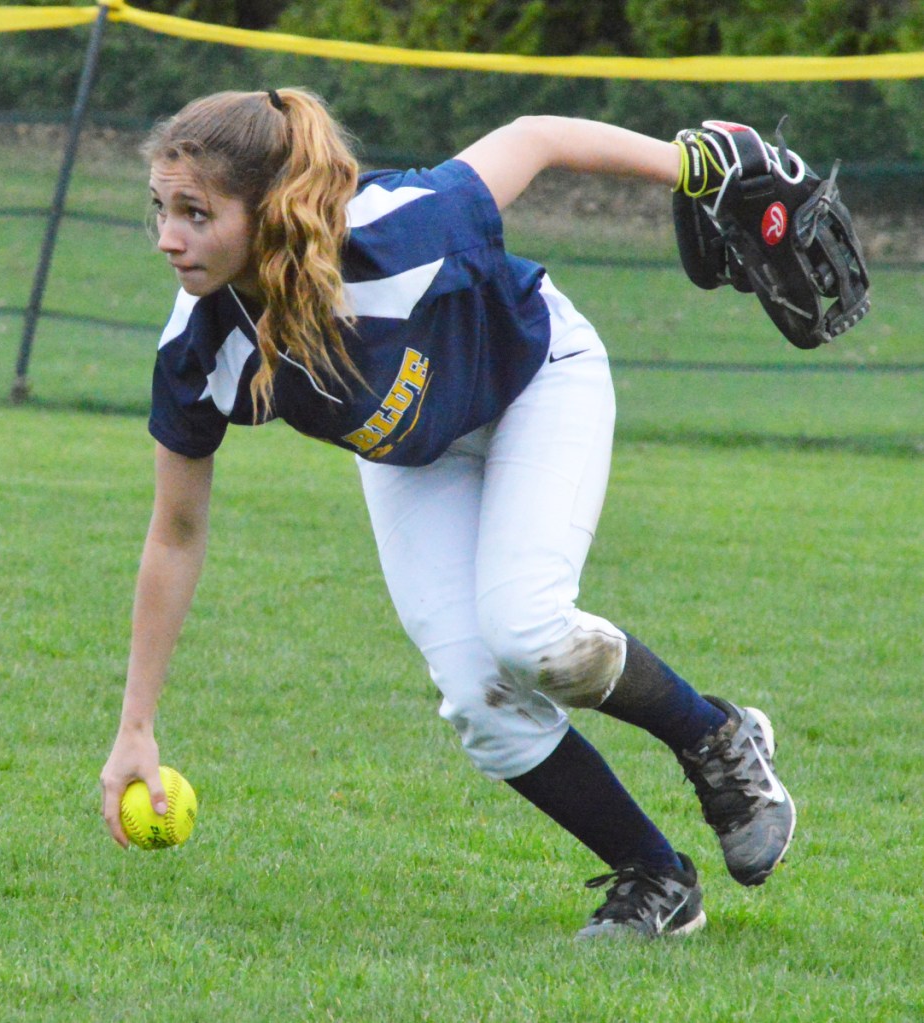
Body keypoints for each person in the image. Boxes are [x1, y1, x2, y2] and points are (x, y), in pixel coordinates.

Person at [100, 88, 796, 940]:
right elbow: (175, 534)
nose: (169, 237)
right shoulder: (199, 345)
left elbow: (535, 136)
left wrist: (694, 166)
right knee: (477, 695)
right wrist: (136, 725)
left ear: (270, 206)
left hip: (536, 382)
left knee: (528, 629)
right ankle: (657, 877)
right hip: (411, 454)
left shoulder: (396, 230)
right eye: (161, 209)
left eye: (196, 213)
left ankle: (716, 738)